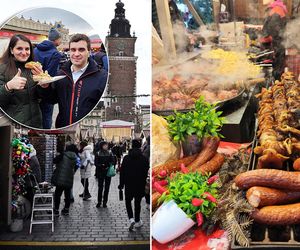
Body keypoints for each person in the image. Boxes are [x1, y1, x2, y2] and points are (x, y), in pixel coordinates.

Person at [39, 33, 107, 128]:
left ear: (89, 51)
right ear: (69, 51)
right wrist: (45, 88)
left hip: (82, 127)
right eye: (73, 50)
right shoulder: (61, 74)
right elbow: (51, 99)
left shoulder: (102, 77)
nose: (76, 54)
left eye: (81, 50)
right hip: (62, 128)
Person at [0, 34, 44, 128]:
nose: (24, 53)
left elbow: (44, 98)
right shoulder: (2, 69)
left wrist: (43, 83)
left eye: (27, 49)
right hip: (14, 124)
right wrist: (8, 87)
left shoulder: (34, 68)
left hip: (36, 122)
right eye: (19, 48)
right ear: (12, 50)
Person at [34, 27, 62, 129]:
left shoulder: (35, 49)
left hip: (33, 86)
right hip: (46, 89)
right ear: (57, 40)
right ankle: (45, 134)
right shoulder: (55, 54)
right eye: (60, 39)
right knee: (47, 114)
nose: (61, 41)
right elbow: (50, 75)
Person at [119, 140, 149, 230]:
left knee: (128, 202)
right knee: (137, 203)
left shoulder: (126, 158)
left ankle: (131, 219)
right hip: (140, 184)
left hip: (128, 184)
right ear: (140, 147)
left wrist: (121, 184)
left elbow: (122, 172)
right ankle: (137, 220)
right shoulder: (144, 158)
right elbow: (146, 172)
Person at [261, 0, 287, 80]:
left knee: (277, 71)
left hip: (276, 46)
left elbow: (274, 31)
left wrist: (266, 40)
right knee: (277, 68)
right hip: (276, 45)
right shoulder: (276, 8)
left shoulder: (276, 10)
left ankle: (276, 85)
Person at [52, 143, 77, 216]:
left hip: (60, 177)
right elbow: (75, 167)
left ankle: (56, 210)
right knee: (67, 194)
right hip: (69, 177)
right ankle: (66, 210)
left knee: (58, 194)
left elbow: (54, 161)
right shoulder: (75, 157)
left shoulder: (63, 155)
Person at [94, 141, 116, 208]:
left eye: (107, 145)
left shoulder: (110, 152)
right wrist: (101, 165)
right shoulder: (98, 153)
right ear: (101, 146)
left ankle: (105, 202)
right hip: (100, 172)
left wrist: (108, 165)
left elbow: (113, 161)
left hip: (108, 172)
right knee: (100, 188)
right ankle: (99, 202)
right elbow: (96, 163)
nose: (106, 146)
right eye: (105, 145)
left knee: (107, 188)